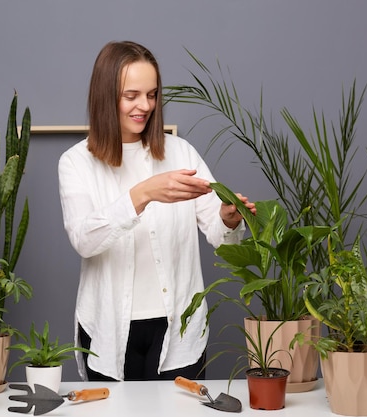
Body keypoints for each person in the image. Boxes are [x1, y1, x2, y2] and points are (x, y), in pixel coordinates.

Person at [57, 40, 256, 382]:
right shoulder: (76, 162)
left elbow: (219, 234)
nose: (145, 105)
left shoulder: (181, 152)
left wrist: (227, 217)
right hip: (108, 328)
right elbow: (84, 240)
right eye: (131, 95)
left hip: (180, 328)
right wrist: (143, 193)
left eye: (151, 94)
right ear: (106, 95)